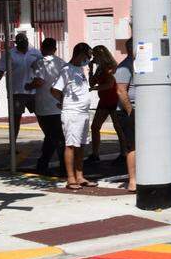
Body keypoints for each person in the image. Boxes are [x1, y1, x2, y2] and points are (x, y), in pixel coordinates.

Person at [51, 42, 95, 189]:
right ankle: (71, 178)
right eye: (87, 56)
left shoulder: (80, 69)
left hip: (83, 113)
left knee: (81, 146)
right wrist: (63, 101)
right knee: (70, 145)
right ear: (80, 54)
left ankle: (80, 175)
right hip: (72, 113)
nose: (88, 59)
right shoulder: (66, 70)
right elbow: (55, 90)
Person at [27, 37, 66, 175]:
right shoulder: (62, 63)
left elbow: (39, 82)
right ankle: (57, 164)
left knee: (52, 136)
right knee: (55, 135)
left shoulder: (40, 63)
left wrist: (28, 85)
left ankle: (45, 163)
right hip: (58, 104)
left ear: (42, 48)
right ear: (55, 49)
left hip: (44, 105)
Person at [0, 31, 42, 136]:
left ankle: (49, 140)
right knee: (15, 119)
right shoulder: (9, 54)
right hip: (16, 92)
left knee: (42, 116)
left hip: (33, 91)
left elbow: (43, 68)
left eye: (25, 41)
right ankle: (13, 147)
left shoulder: (35, 53)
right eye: (21, 42)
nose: (24, 43)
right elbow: (1, 70)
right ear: (16, 43)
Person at [86, 45, 122, 166]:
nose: (93, 58)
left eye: (95, 55)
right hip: (104, 101)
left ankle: (124, 153)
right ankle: (95, 154)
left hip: (114, 99)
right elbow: (92, 82)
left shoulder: (111, 67)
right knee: (95, 126)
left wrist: (95, 88)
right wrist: (90, 69)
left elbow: (110, 84)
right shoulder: (100, 68)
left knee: (118, 127)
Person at [113, 38, 137, 192]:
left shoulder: (139, 65)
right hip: (128, 111)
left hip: (141, 110)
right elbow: (121, 91)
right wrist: (130, 110)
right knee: (132, 145)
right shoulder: (125, 67)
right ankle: (133, 181)